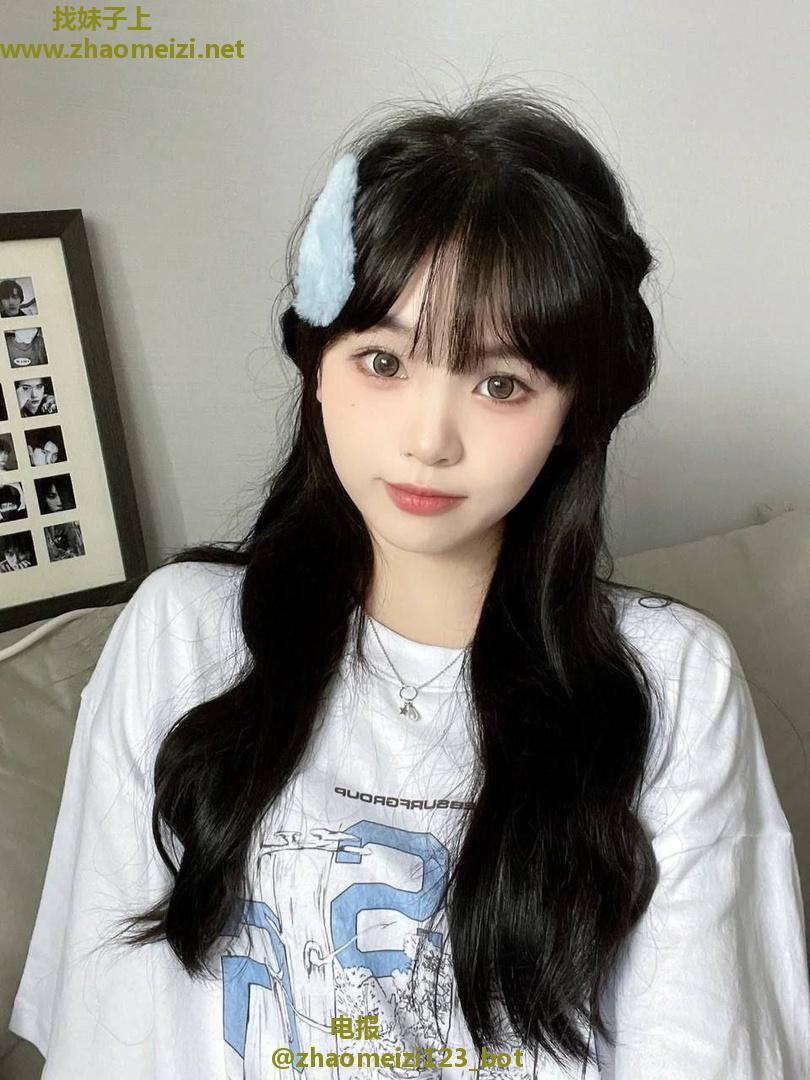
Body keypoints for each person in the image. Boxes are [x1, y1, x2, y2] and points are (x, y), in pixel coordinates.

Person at [8, 87, 810, 1080]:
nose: (429, 439)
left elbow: (702, 1052)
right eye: (383, 361)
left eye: (500, 383)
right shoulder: (182, 637)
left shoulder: (672, 682)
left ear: (572, 412)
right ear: (317, 364)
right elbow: (113, 1031)